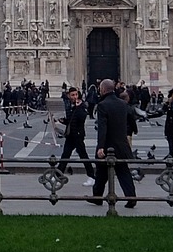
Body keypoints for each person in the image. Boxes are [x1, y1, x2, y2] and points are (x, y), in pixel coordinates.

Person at [88, 78, 137, 207]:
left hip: (108, 146)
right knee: (123, 172)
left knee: (101, 172)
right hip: (122, 145)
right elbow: (131, 118)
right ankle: (131, 197)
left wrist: (100, 147)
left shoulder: (103, 105)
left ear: (103, 90)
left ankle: (97, 197)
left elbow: (102, 128)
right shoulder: (122, 103)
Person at [57, 87, 95, 179]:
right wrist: (63, 121)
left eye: (76, 94)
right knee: (65, 155)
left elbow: (82, 118)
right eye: (73, 95)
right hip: (71, 136)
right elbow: (72, 120)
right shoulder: (70, 105)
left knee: (83, 155)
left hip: (78, 135)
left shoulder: (81, 105)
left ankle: (92, 176)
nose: (75, 97)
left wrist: (78, 107)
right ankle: (58, 175)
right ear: (69, 96)